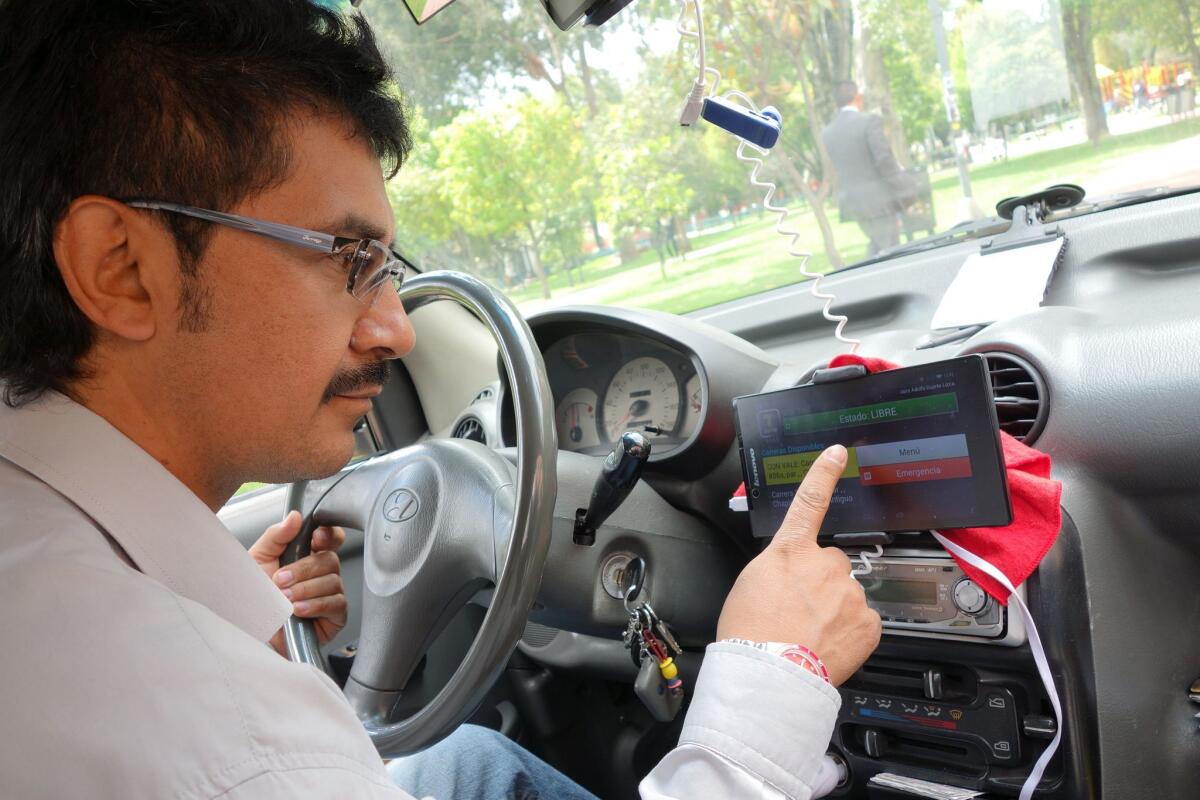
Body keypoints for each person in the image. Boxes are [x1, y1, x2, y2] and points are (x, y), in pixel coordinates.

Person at [0, 2, 882, 798]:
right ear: (119, 267)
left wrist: (242, 624)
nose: (397, 329)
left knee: (466, 762)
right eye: (348, 260)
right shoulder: (231, 746)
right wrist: (770, 680)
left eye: (389, 273)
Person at [821, 80, 913, 257]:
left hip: (855, 204)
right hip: (878, 200)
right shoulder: (869, 121)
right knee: (890, 252)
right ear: (858, 97)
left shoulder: (828, 133)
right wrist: (904, 186)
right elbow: (884, 159)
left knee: (878, 246)